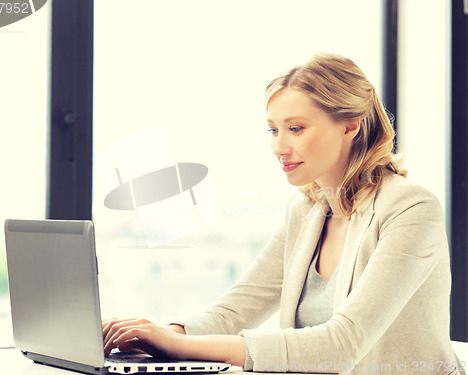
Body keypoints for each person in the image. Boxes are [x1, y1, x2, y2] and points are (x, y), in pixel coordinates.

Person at [103, 53, 465, 374]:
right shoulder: (306, 211)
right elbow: (234, 312)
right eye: (273, 130)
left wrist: (180, 347)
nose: (279, 147)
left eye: (295, 129)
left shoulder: (411, 209)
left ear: (350, 125)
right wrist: (159, 333)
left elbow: (342, 345)